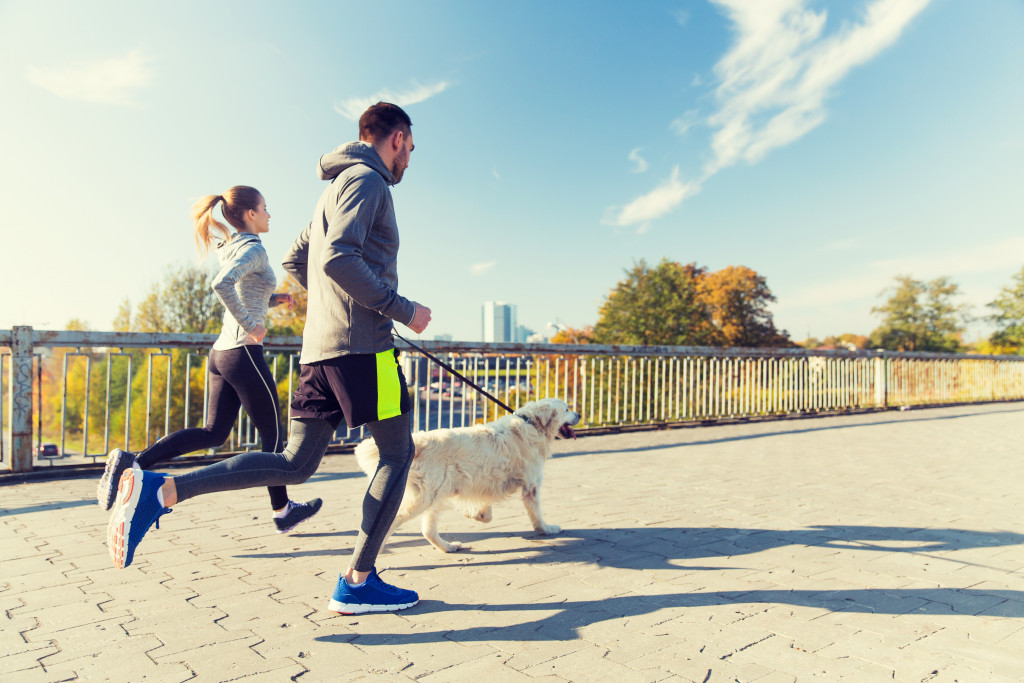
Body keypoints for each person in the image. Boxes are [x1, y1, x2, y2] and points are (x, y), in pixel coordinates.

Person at [106, 102, 432, 616]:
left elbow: (296, 260)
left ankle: (161, 490)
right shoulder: (369, 182)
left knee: (295, 465)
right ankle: (357, 582)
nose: (409, 160)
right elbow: (337, 259)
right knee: (395, 455)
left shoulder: (332, 189)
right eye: (410, 149)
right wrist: (400, 310)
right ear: (396, 138)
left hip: (321, 349)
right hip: (364, 351)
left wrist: (333, 305)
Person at [97, 186, 322, 534]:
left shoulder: (231, 245)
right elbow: (223, 284)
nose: (269, 214)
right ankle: (282, 511)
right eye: (265, 208)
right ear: (250, 214)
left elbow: (244, 289)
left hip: (222, 353)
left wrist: (273, 299)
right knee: (274, 439)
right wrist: (252, 325)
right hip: (243, 352)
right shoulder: (253, 247)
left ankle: (133, 462)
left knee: (214, 432)